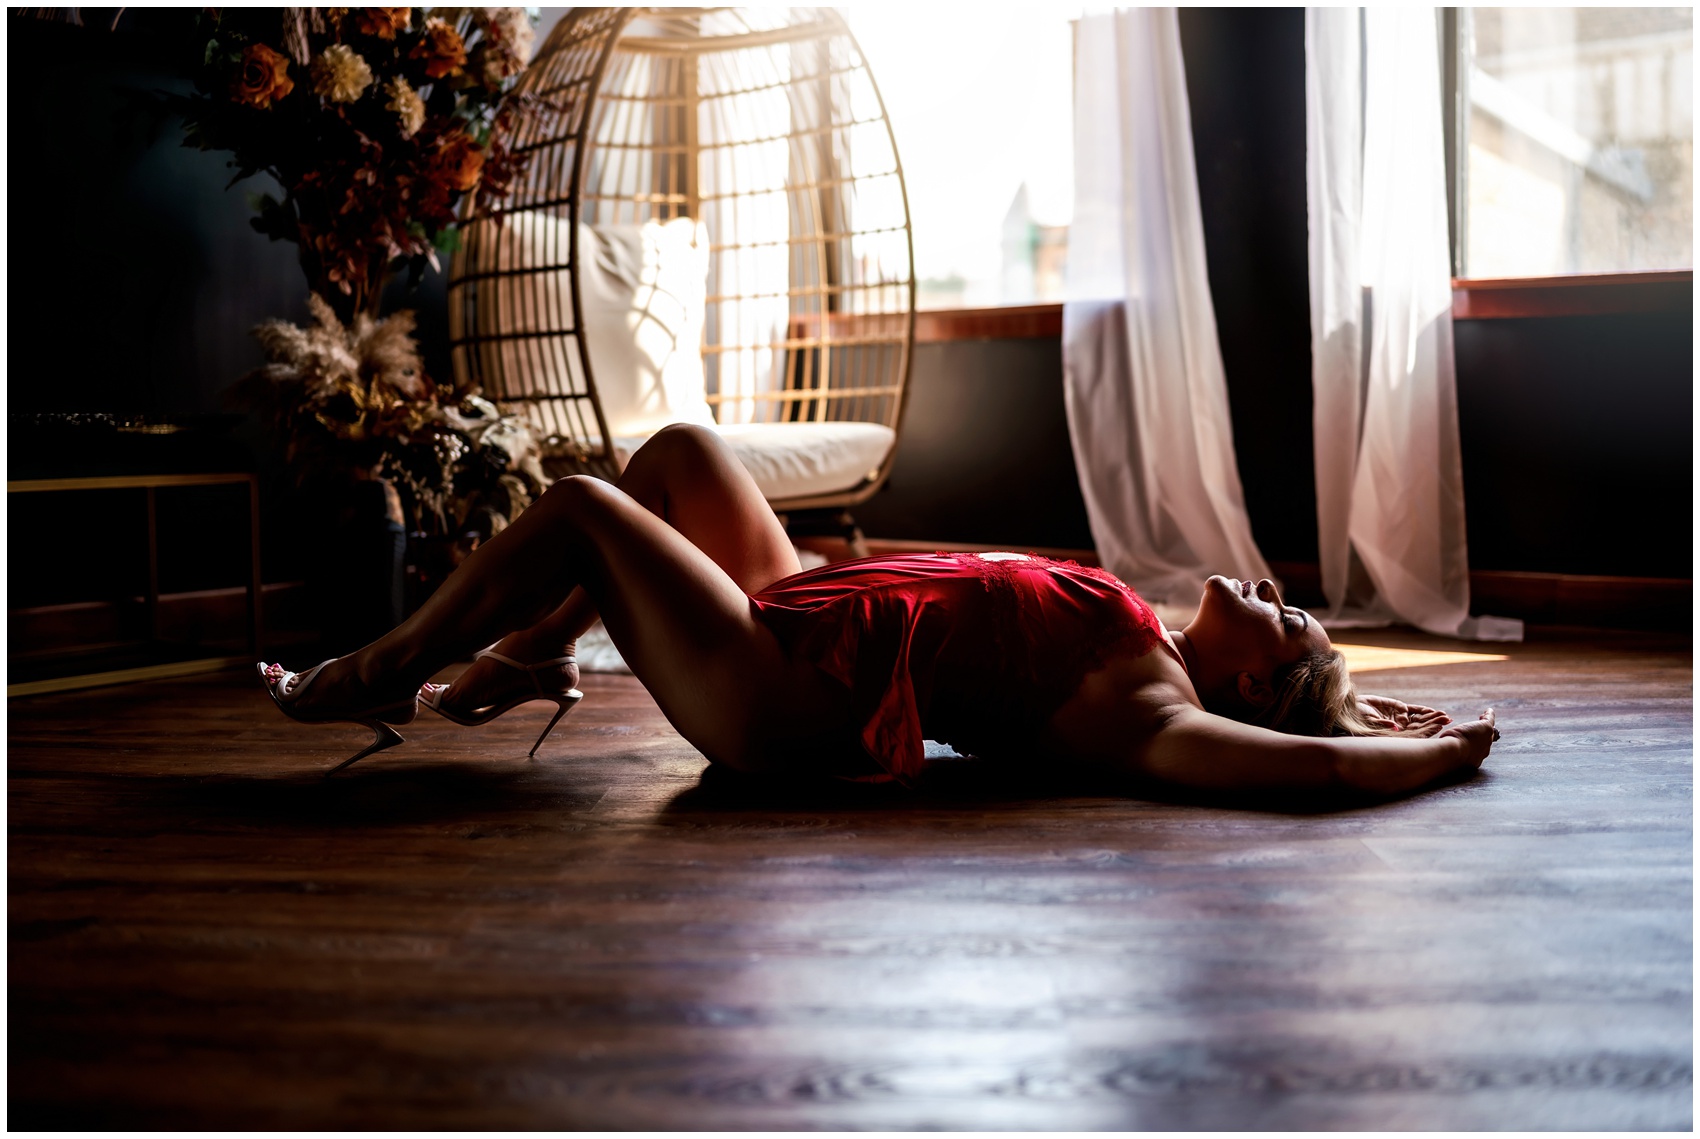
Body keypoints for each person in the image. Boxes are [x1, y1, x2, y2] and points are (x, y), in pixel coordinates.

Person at [260, 424, 1499, 792]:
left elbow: (1297, 774)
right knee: (681, 452)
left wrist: (1430, 762)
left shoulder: (1143, 702)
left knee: (585, 502)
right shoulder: (1154, 639)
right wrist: (1371, 700)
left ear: (1239, 687)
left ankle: (384, 664)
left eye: (1280, 621)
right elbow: (1313, 715)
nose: (1272, 594)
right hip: (805, 606)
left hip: (785, 694)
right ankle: (538, 652)